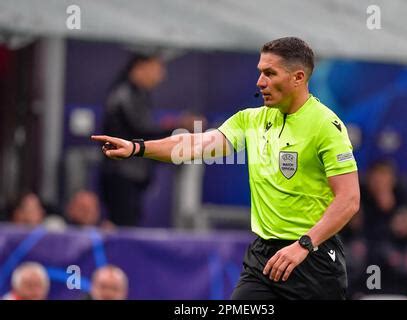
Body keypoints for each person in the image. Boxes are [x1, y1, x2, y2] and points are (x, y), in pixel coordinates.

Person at [92, 37, 360, 300]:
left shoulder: (326, 125)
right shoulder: (250, 120)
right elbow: (195, 144)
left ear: (298, 78)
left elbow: (349, 199)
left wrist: (303, 245)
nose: (260, 82)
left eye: (269, 73)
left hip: (312, 257)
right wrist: (138, 147)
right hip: (264, 257)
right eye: (259, 72)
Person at [100, 52, 201, 226]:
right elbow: (142, 131)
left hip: (132, 177)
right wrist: (178, 127)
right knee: (124, 229)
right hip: (121, 178)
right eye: (156, 69)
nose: (161, 76)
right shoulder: (125, 94)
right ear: (140, 68)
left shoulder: (138, 95)